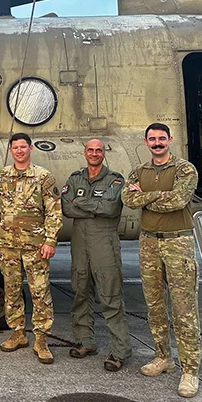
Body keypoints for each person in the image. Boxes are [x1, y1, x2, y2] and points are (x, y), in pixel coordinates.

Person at [121, 123, 201, 398]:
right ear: (146, 142)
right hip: (149, 242)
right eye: (152, 139)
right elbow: (127, 198)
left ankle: (189, 370)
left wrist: (145, 197)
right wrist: (156, 196)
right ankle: (162, 357)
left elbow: (179, 200)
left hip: (178, 241)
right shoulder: (140, 171)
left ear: (170, 140)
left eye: (161, 139)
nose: (157, 143)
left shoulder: (184, 169)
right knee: (154, 305)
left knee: (183, 309)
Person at [0, 132, 62, 364]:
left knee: (40, 292)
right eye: (15, 147)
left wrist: (50, 240)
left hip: (35, 246)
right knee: (12, 291)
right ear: (10, 150)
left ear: (30, 148)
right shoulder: (1, 176)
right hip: (8, 245)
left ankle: (41, 339)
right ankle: (18, 333)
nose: (19, 150)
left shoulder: (43, 177)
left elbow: (53, 211)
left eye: (23, 147)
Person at [61, 138, 131, 371]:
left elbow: (111, 208)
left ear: (103, 153)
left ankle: (120, 350)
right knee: (80, 290)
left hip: (104, 243)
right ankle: (85, 341)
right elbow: (66, 208)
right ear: (84, 153)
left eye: (98, 150)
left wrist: (81, 203)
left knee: (109, 295)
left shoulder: (115, 180)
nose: (94, 153)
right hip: (80, 242)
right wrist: (94, 206)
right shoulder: (75, 178)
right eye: (90, 150)